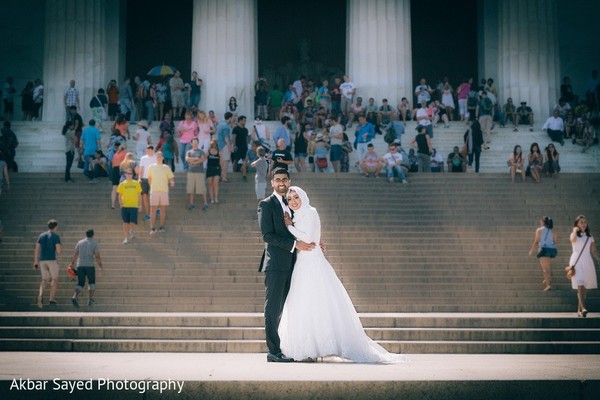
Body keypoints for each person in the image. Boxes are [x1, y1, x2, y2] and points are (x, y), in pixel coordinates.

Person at [279, 185, 408, 363]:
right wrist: (293, 226)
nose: (293, 201)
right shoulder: (297, 215)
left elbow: (308, 239)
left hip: (313, 263)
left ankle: (323, 346)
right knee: (304, 302)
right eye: (290, 199)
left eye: (296, 197)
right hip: (302, 262)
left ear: (303, 197)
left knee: (319, 302)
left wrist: (289, 227)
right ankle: (309, 347)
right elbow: (309, 237)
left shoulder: (310, 212)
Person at [257, 169, 316, 362]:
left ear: (289, 181)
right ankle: (273, 351)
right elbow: (267, 235)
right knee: (273, 308)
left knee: (290, 308)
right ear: (272, 183)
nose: (281, 183)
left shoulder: (292, 204)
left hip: (295, 264)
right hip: (275, 264)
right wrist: (294, 245)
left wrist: (316, 241)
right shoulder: (266, 205)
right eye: (277, 180)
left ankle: (291, 348)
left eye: (284, 179)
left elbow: (300, 230)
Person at [569, 215, 600, 317]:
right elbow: (572, 240)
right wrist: (574, 230)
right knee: (580, 283)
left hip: (587, 261)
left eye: (585, 222)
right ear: (577, 224)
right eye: (581, 222)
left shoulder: (590, 236)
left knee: (585, 287)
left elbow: (594, 250)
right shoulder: (574, 235)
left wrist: (598, 259)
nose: (584, 224)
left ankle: (580, 309)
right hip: (576, 261)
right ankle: (583, 307)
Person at [68, 229, 103, 308]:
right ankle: (90, 299)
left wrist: (71, 263)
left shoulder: (80, 242)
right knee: (91, 282)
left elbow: (75, 254)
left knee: (80, 283)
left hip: (80, 265)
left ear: (86, 234)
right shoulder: (94, 243)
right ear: (93, 235)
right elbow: (97, 256)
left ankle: (74, 296)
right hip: (90, 265)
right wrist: (100, 267)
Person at [33, 219, 62, 308]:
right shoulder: (55, 236)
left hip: (42, 260)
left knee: (44, 280)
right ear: (55, 227)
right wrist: (60, 248)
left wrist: (35, 261)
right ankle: (51, 299)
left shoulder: (41, 236)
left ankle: (40, 295)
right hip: (52, 260)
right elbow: (58, 250)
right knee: (54, 279)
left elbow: (37, 248)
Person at [147, 151, 175, 234]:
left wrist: (172, 182)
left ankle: (162, 226)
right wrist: (152, 187)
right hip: (154, 191)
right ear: (155, 157)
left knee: (163, 210)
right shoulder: (151, 167)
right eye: (157, 156)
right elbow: (149, 179)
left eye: (160, 156)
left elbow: (170, 177)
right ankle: (152, 227)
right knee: (153, 210)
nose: (158, 158)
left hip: (164, 191)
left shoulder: (166, 167)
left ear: (162, 157)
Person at [529, 216, 558, 291]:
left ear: (543, 222)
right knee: (547, 267)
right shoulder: (553, 231)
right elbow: (555, 242)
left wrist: (532, 250)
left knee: (545, 269)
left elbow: (536, 241)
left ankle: (548, 285)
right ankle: (547, 279)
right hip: (553, 250)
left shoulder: (539, 230)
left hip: (544, 249)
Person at [116, 168, 142, 244]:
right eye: (127, 173)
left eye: (130, 173)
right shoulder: (122, 184)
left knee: (133, 222)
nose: (129, 175)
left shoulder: (136, 183)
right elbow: (119, 195)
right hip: (125, 206)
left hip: (134, 206)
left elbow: (139, 195)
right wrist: (121, 204)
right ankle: (126, 238)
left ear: (132, 175)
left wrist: (140, 205)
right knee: (125, 222)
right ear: (125, 174)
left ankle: (131, 230)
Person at [185, 137, 208, 211]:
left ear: (198, 143)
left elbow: (202, 159)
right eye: (193, 142)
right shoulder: (188, 151)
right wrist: (196, 159)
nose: (195, 144)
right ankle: (191, 204)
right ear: (191, 143)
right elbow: (187, 159)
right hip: (191, 172)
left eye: (196, 142)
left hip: (199, 172)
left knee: (202, 188)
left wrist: (193, 161)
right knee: (190, 188)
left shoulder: (201, 151)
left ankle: (205, 203)